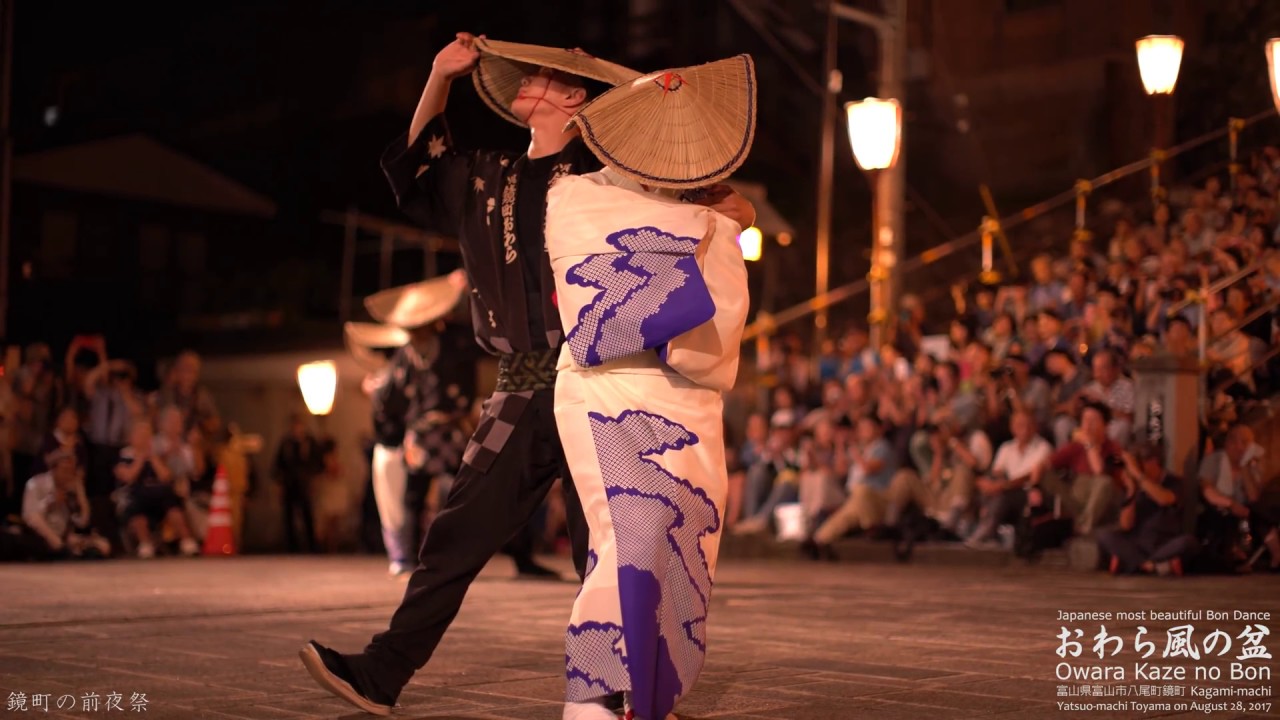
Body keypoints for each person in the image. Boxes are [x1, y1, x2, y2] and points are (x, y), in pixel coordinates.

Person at [299, 35, 753, 717]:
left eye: (544, 77)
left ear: (575, 99)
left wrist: (719, 215)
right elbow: (416, 172)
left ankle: (633, 689)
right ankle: (382, 672)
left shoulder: (611, 177)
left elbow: (722, 205)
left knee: (609, 539)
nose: (527, 83)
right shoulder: (488, 176)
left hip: (600, 381)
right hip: (523, 386)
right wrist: (437, 77)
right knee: (458, 536)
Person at [544, 54, 754, 720]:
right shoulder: (578, 194)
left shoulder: (710, 209)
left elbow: (710, 307)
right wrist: (721, 229)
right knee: (630, 533)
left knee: (684, 533)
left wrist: (716, 227)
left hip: (687, 396)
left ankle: (647, 699)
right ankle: (592, 697)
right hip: (606, 387)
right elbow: (601, 316)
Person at [1096, 443, 1197, 575]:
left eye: (1140, 463)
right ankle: (1151, 566)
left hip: (1163, 543)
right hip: (1138, 544)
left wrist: (1138, 475)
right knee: (1104, 535)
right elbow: (1126, 525)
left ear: (1154, 461)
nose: (1136, 468)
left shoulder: (1174, 482)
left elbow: (1164, 499)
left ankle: (1139, 565)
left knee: (1188, 542)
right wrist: (1131, 490)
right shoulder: (1135, 485)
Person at [114, 419, 199, 558]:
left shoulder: (155, 456)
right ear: (131, 437)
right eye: (140, 435)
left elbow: (165, 476)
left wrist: (153, 457)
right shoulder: (124, 456)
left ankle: (187, 541)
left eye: (147, 435)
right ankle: (145, 543)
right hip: (135, 498)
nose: (144, 439)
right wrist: (140, 457)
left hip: (159, 497)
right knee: (137, 509)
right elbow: (129, 477)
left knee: (173, 506)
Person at [21, 448, 110, 560]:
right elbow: (30, 515)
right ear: (53, 469)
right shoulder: (35, 484)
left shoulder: (70, 489)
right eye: (65, 470)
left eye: (71, 471)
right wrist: (50, 502)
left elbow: (82, 522)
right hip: (41, 535)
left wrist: (81, 494)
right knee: (36, 519)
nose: (68, 475)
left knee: (103, 546)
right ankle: (59, 548)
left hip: (64, 535)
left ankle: (67, 551)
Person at [273, 413, 321, 554]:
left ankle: (312, 546)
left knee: (307, 516)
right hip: (290, 484)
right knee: (289, 517)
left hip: (305, 484)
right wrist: (279, 485)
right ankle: (291, 547)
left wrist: (314, 480)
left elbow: (316, 463)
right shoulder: (286, 443)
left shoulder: (309, 442)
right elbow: (278, 465)